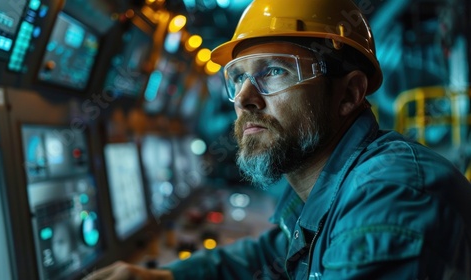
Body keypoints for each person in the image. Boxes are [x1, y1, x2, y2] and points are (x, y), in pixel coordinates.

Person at [84, 0, 471, 279]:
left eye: (274, 71)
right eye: (237, 78)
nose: (245, 99)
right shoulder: (315, 184)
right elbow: (272, 256)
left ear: (349, 95)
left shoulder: (391, 197)